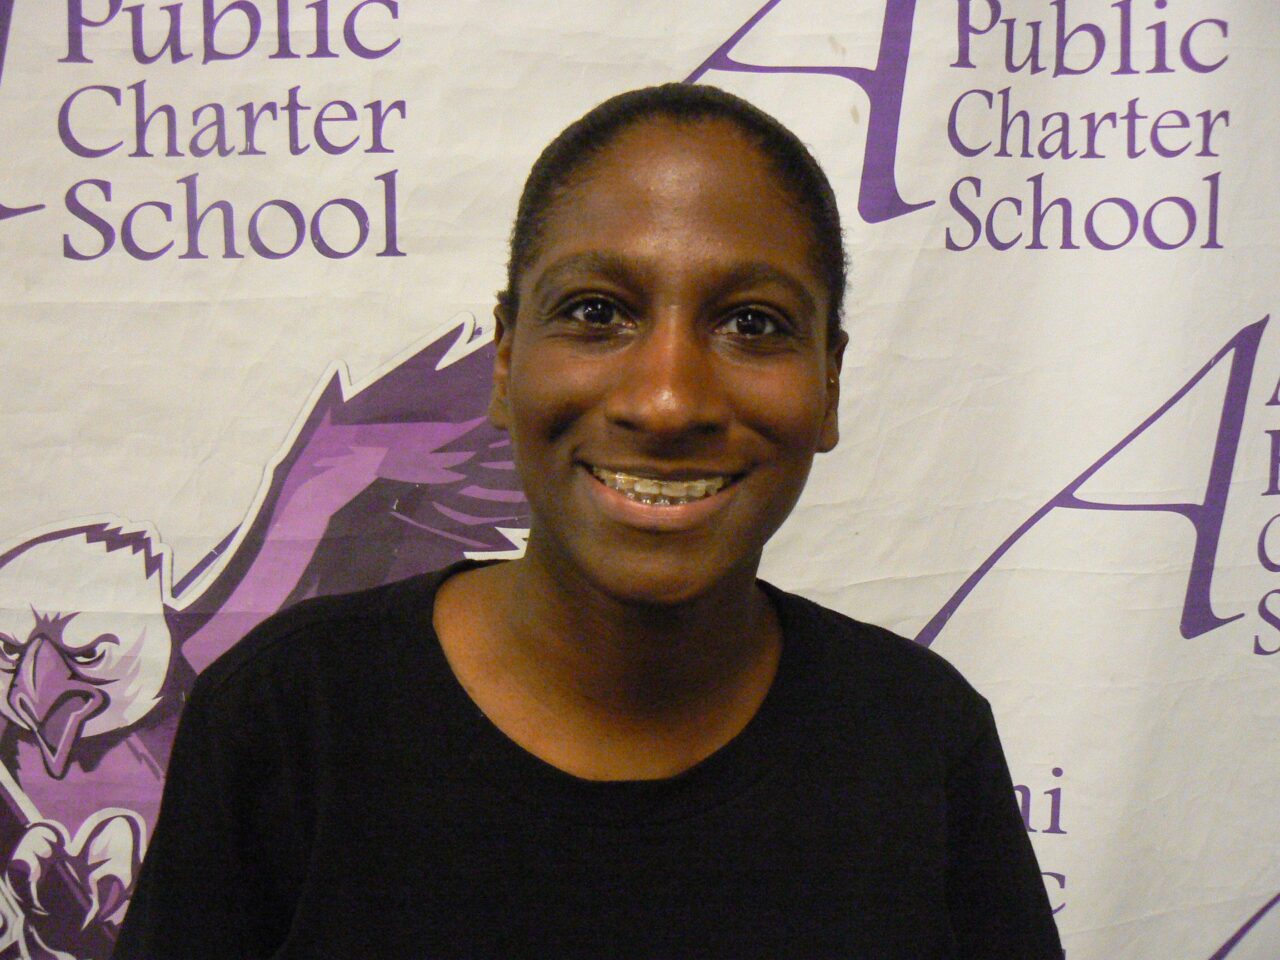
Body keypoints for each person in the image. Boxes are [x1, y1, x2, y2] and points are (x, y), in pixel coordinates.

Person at [113, 83, 1063, 959]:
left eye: (754, 323)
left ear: (830, 383)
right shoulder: (287, 723)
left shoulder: (917, 742)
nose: (667, 400)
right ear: (505, 361)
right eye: (598, 311)